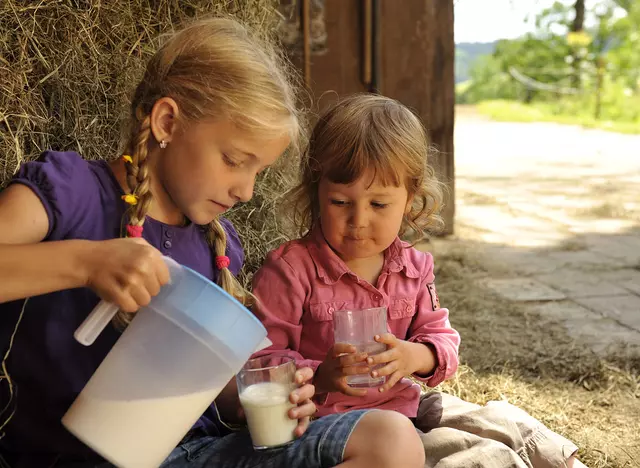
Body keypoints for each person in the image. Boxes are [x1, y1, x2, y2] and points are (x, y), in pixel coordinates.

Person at [0, 20, 425, 468]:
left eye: (258, 171)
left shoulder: (216, 247)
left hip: (192, 456)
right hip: (65, 456)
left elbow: (214, 395)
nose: (246, 190)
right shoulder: (69, 194)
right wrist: (84, 262)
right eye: (234, 161)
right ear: (168, 122)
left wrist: (276, 394)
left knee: (390, 440)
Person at [252, 93, 587, 468]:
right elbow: (262, 363)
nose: (358, 219)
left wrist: (415, 355)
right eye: (340, 202)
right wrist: (320, 375)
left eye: (378, 205)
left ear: (410, 199)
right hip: (337, 424)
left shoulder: (413, 267)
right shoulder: (292, 270)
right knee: (480, 455)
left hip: (405, 400)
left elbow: (441, 339)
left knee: (501, 420)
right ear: (317, 193)